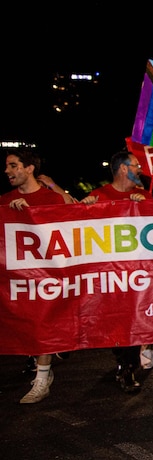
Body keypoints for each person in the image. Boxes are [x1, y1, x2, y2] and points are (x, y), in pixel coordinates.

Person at [80, 151, 153, 392]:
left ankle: (128, 366)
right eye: (136, 165)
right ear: (123, 169)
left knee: (133, 319)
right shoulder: (98, 196)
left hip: (137, 272)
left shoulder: (143, 195)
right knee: (115, 320)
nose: (140, 168)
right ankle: (123, 361)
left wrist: (146, 207)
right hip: (108, 274)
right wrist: (85, 208)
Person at [3, 149, 71, 404]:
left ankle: (42, 378)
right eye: (7, 166)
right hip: (18, 281)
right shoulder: (5, 201)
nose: (7, 171)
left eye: (13, 165)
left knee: (44, 323)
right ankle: (52, 352)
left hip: (48, 278)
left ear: (29, 168)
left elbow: (71, 225)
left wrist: (31, 213)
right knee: (29, 327)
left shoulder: (51, 199)